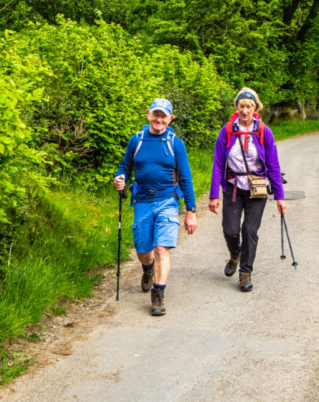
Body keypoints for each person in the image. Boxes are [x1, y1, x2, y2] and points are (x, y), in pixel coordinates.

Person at [114, 98, 197, 316]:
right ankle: (147, 268)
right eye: (156, 114)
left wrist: (191, 210)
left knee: (162, 248)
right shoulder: (137, 140)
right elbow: (125, 166)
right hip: (142, 200)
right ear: (149, 114)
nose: (159, 119)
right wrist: (119, 179)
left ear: (170, 118)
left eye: (164, 116)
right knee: (144, 251)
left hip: (168, 200)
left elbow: (186, 178)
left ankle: (158, 294)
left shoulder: (175, 143)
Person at [208, 88, 286, 292]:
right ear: (236, 107)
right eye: (241, 106)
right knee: (230, 230)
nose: (245, 110)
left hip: (257, 188)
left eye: (249, 106)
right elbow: (218, 164)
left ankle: (245, 272)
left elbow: (274, 165)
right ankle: (235, 254)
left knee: (250, 230)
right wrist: (214, 194)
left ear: (256, 108)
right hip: (233, 186)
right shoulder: (227, 131)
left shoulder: (263, 131)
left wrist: (280, 197)